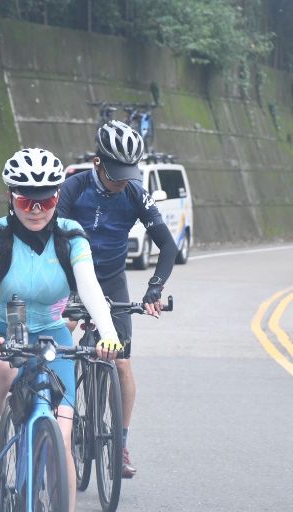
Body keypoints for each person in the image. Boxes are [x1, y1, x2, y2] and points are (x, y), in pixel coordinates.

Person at [0, 148, 122, 512]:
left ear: (57, 197)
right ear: (11, 197)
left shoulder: (71, 236)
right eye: (26, 200)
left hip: (52, 334)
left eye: (46, 200)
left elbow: (91, 288)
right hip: (2, 331)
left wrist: (109, 335)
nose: (36, 210)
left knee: (63, 440)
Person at [56, 119, 178, 479]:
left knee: (122, 363)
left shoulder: (135, 192)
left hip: (111, 279)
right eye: (116, 174)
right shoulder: (73, 188)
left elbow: (167, 246)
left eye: (128, 173)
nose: (122, 180)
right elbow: (50, 236)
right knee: (61, 335)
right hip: (71, 277)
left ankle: (120, 444)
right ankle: (56, 418)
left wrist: (154, 288)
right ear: (98, 163)